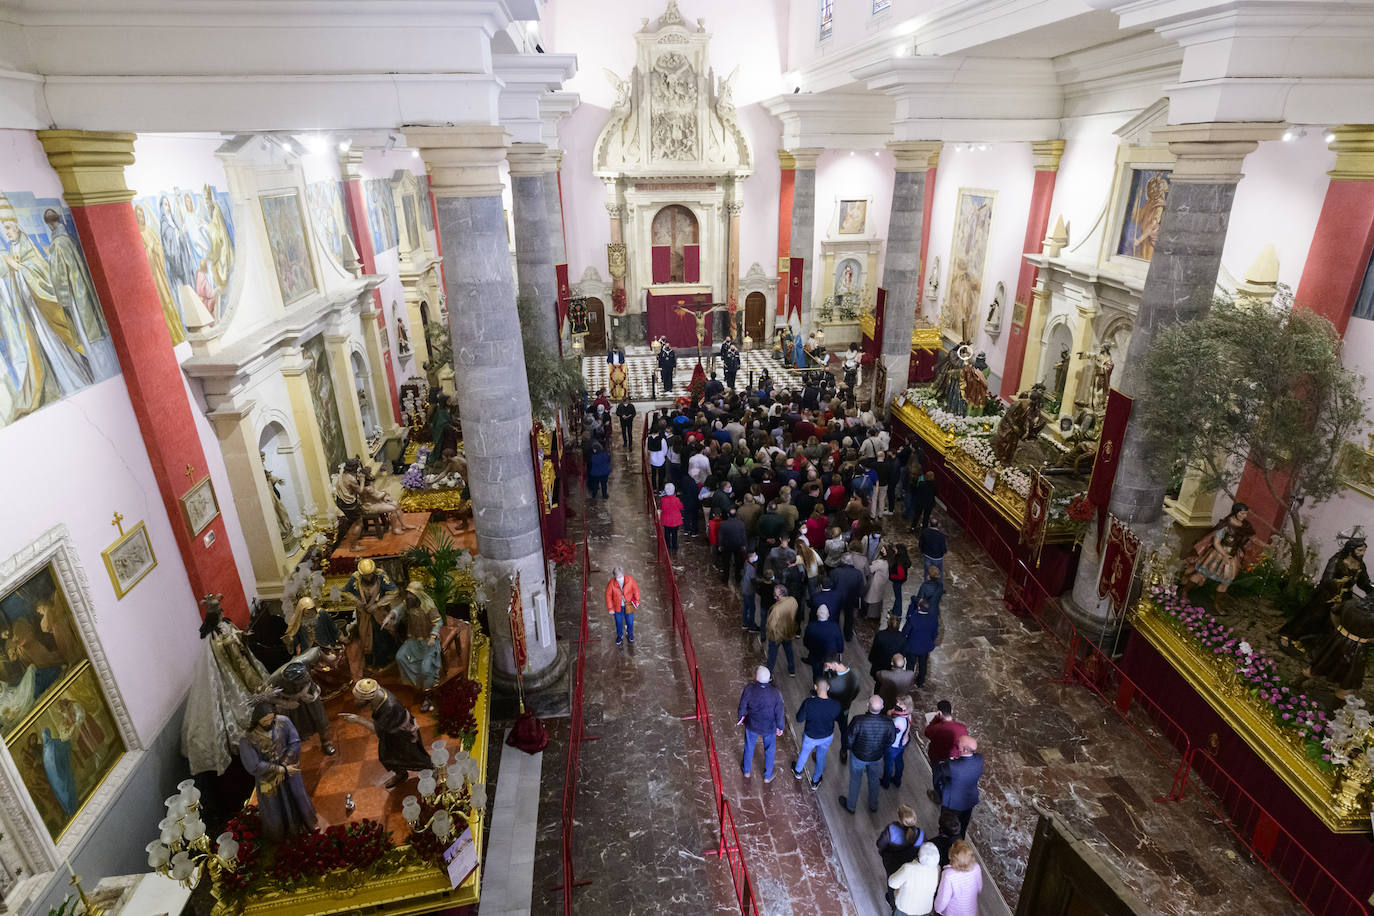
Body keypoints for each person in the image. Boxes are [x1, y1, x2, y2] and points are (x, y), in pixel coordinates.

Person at [239, 701, 317, 841]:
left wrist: (285, 766)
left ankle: (307, 824)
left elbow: (294, 742)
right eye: (265, 720)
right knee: (273, 808)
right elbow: (253, 765)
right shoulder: (247, 739)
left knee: (298, 797)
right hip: (267, 779)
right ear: (256, 720)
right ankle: (278, 836)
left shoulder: (284, 722)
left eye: (271, 718)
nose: (269, 722)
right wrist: (278, 769)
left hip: (290, 770)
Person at [1280, 534, 1370, 649]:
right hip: (1326, 596)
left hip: (1343, 599)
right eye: (1360, 550)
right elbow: (1327, 579)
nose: (1362, 553)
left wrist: (1370, 589)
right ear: (1351, 549)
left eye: (1364, 551)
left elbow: (1364, 582)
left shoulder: (1360, 565)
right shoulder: (1337, 560)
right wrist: (1339, 582)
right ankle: (1289, 635)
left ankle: (1314, 647)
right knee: (1311, 617)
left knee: (1332, 625)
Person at [341, 678, 434, 789]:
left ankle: (432, 769)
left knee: (415, 757)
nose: (355, 701)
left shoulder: (389, 706)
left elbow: (378, 730)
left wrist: (358, 719)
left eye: (359, 699)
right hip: (391, 733)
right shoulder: (376, 694)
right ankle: (401, 774)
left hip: (403, 735)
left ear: (368, 699)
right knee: (386, 757)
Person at [1182, 502, 1255, 596]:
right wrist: (1225, 555)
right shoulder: (1226, 524)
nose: (1244, 516)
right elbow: (1216, 543)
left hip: (1232, 556)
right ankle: (1185, 591)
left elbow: (1253, 537)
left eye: (1246, 513)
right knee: (1201, 574)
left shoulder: (1245, 525)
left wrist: (1267, 546)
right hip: (1217, 554)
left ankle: (1217, 603)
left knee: (1227, 580)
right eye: (1241, 513)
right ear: (1235, 512)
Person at [389, 581, 442, 711]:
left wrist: (433, 636)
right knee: (400, 657)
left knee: (426, 668)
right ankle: (417, 682)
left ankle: (427, 696)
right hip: (413, 640)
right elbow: (399, 609)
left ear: (418, 595)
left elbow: (438, 622)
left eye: (411, 594)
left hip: (428, 642)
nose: (407, 596)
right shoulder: (408, 603)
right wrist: (392, 614)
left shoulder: (429, 607)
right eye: (407, 593)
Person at [265, 660, 336, 756]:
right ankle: (294, 751)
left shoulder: (306, 660)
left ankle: (325, 742)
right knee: (298, 726)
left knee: (320, 720)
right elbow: (267, 698)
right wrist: (286, 703)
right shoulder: (275, 679)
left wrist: (310, 693)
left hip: (310, 696)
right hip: (291, 703)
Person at [840, 695, 896, 814]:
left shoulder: (858, 720)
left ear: (867, 705)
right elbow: (891, 740)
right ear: (882, 707)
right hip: (876, 756)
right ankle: (873, 805)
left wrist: (852, 749)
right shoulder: (888, 722)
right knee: (874, 780)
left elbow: (849, 740)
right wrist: (881, 749)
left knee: (855, 780)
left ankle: (851, 806)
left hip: (858, 756)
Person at [343, 558, 400, 670]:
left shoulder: (381, 576)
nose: (368, 578)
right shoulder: (356, 578)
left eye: (370, 575)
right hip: (365, 615)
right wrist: (358, 602)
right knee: (368, 638)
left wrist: (378, 604)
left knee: (385, 636)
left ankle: (388, 659)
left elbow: (394, 592)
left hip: (380, 613)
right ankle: (373, 662)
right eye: (365, 576)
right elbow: (345, 592)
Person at [792, 677, 842, 788]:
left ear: (815, 687)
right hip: (827, 736)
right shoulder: (836, 705)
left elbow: (799, 719)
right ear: (828, 688)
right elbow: (837, 718)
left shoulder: (809, 703)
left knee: (804, 753)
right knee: (821, 756)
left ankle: (798, 771)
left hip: (810, 736)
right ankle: (815, 781)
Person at [737, 666, 784, 782]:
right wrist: (780, 727)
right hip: (769, 727)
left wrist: (741, 719)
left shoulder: (749, 689)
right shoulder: (775, 693)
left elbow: (742, 706)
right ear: (768, 679)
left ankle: (746, 771)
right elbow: (779, 713)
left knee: (749, 747)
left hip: (752, 724)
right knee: (770, 750)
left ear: (757, 677)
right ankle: (767, 776)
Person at [934, 735, 984, 838]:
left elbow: (938, 773)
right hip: (969, 800)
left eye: (958, 746)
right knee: (963, 825)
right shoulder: (980, 759)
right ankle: (960, 842)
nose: (957, 746)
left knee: (947, 827)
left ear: (965, 750)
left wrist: (939, 792)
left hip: (953, 803)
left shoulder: (952, 766)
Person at [905, 567, 943, 687]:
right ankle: (920, 682)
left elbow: (919, 598)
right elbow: (934, 633)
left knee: (911, 663)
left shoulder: (925, 586)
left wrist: (913, 598)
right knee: (923, 664)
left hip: (913, 645)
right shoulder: (940, 586)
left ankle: (908, 681)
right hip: (932, 613)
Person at [924, 700, 968, 797]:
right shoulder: (962, 728)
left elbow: (927, 732)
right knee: (950, 779)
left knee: (937, 777)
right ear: (952, 711)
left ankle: (938, 796)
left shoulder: (936, 728)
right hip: (954, 760)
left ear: (939, 713)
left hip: (938, 759)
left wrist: (935, 719)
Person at [932, 840, 983, 916]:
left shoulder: (949, 875)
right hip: (971, 911)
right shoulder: (976, 867)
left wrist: (937, 909)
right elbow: (979, 887)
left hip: (953, 912)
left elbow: (943, 900)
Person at [888, 842, 941, 916]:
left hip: (905, 909)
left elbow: (892, 883)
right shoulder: (937, 870)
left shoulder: (909, 868)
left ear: (919, 855)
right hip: (924, 910)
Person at [877, 803, 926, 879]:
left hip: (892, 862)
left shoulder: (891, 829)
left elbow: (879, 844)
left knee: (892, 879)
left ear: (900, 818)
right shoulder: (921, 834)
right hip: (910, 865)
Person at [764, 584, 798, 677]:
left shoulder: (776, 609)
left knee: (772, 655)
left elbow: (771, 625)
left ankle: (769, 674)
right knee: (789, 651)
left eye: (775, 595)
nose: (774, 596)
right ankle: (792, 670)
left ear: (779, 596)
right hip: (788, 631)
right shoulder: (793, 601)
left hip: (777, 635)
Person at [803, 606, 844, 682]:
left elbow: (806, 641)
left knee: (817, 673)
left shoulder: (811, 627)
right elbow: (840, 641)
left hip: (816, 654)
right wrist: (840, 650)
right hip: (830, 655)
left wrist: (810, 648)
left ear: (817, 614)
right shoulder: (835, 626)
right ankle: (830, 687)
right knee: (830, 671)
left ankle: (818, 690)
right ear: (828, 615)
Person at [882, 694, 914, 789]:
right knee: (899, 761)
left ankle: (886, 782)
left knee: (888, 764)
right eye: (897, 702)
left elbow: (889, 731)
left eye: (900, 703)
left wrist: (888, 715)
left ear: (906, 706)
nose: (897, 704)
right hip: (903, 743)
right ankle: (897, 780)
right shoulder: (908, 715)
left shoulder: (898, 720)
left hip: (893, 745)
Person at [604, 567, 641, 646]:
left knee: (630, 621)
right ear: (614, 575)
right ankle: (620, 635)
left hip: (629, 604)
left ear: (623, 574)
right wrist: (610, 608)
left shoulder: (630, 580)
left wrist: (637, 601)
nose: (619, 578)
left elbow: (636, 590)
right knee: (618, 622)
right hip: (617, 606)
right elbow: (608, 595)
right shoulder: (611, 583)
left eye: (620, 576)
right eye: (617, 576)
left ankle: (630, 633)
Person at [887, 543, 911, 619]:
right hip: (900, 580)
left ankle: (897, 613)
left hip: (897, 580)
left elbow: (900, 575)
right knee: (898, 596)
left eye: (896, 549)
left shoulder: (899, 562)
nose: (895, 550)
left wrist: (891, 576)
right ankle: (894, 610)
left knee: (898, 597)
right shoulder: (904, 557)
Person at [740, 550, 761, 631]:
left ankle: (745, 623)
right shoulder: (751, 569)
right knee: (752, 608)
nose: (756, 556)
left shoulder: (746, 563)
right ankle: (751, 626)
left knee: (746, 607)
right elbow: (753, 581)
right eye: (755, 555)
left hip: (744, 588)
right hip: (749, 591)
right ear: (751, 557)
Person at [660, 483, 684, 553]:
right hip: (675, 520)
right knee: (674, 534)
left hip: (666, 520)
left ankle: (667, 546)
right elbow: (681, 507)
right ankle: (674, 546)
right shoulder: (676, 499)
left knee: (667, 533)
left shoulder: (663, 500)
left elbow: (662, 507)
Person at [647, 424, 669, 492]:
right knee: (661, 475)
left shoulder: (648, 439)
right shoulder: (662, 440)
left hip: (652, 460)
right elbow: (665, 451)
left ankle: (654, 488)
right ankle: (660, 489)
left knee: (653, 475)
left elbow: (648, 449)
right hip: (661, 460)